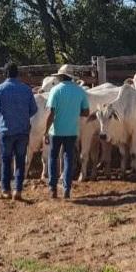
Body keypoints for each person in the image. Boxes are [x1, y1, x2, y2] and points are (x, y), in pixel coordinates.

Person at [0, 61, 38, 200]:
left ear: (5, 74)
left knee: (5, 160)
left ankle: (6, 190)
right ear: (17, 73)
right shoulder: (26, 89)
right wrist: (23, 116)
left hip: (6, 130)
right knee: (20, 160)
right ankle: (18, 190)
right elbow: (34, 109)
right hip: (23, 130)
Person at [43, 64, 89, 199]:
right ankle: (67, 188)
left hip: (55, 131)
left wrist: (45, 131)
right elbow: (86, 112)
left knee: (53, 157)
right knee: (68, 158)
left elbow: (51, 113)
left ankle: (52, 188)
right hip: (72, 130)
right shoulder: (80, 91)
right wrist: (74, 112)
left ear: (61, 77)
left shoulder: (55, 90)